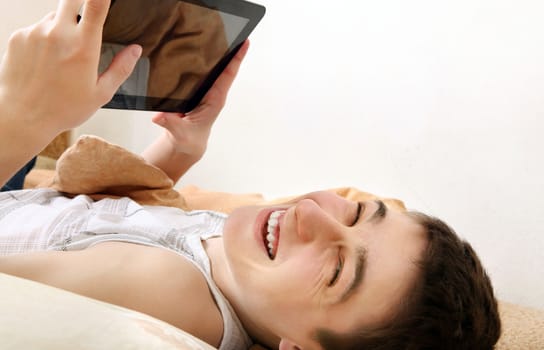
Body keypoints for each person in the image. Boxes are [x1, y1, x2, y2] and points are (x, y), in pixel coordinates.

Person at [0, 1, 501, 349]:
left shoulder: (172, 297)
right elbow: (119, 231)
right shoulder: (235, 266)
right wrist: (180, 147)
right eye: (354, 213)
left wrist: (23, 115)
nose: (308, 211)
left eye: (334, 270)